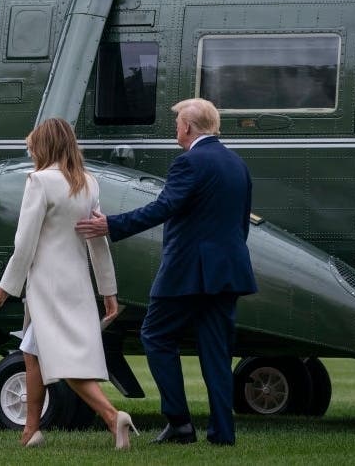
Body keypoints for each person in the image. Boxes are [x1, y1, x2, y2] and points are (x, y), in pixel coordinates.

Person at [75, 98, 257, 446]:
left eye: (177, 124)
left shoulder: (188, 163)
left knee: (156, 336)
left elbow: (164, 207)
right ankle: (222, 431)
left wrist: (111, 225)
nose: (175, 129)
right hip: (227, 271)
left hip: (186, 271)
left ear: (188, 127)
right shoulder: (237, 164)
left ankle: (179, 423)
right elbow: (240, 224)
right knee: (217, 352)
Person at [0, 117, 137, 449]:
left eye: (32, 147)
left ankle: (113, 417)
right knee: (32, 353)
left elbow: (24, 242)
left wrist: (5, 287)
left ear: (43, 146)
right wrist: (108, 292)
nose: (30, 153)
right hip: (77, 285)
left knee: (61, 359)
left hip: (47, 287)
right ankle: (31, 430)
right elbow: (97, 243)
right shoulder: (89, 183)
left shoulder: (39, 181)